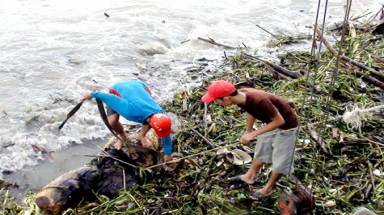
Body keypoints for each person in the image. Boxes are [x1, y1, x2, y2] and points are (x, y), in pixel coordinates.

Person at [201, 80, 299, 201]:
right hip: (270, 123)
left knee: (280, 161)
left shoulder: (259, 100)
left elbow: (280, 121)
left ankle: (267, 189)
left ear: (225, 99)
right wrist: (248, 130)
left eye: (216, 100)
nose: (216, 103)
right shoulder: (240, 97)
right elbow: (250, 111)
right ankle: (249, 176)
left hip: (287, 127)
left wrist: (253, 134)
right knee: (261, 150)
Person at [83, 80, 173, 162]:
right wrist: (92, 94)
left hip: (140, 86)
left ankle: (141, 135)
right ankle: (123, 135)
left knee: (148, 115)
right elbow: (109, 98)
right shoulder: (129, 111)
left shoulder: (160, 114)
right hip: (118, 90)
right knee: (112, 121)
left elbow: (166, 135)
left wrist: (168, 154)